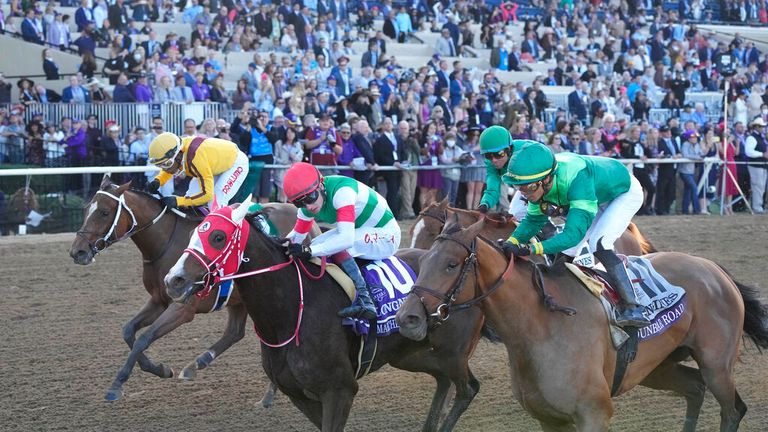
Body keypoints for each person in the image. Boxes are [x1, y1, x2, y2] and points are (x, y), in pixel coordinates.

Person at [500, 142, 649, 327]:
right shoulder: (539, 184)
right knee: (567, 253)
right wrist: (511, 241)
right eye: (518, 187)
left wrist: (531, 249)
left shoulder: (576, 180)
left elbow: (573, 235)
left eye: (527, 187)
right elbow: (533, 220)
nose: (523, 193)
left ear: (545, 180)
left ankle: (634, 307)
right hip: (597, 191)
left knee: (599, 244)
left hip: (622, 193)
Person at [283, 162, 401, 319]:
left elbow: (345, 239)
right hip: (360, 231)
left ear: (321, 184)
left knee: (331, 246)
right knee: (316, 244)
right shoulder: (309, 202)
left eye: (311, 198)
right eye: (299, 203)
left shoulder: (342, 192)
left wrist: (309, 251)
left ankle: (365, 301)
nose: (308, 206)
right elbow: (296, 237)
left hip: (387, 235)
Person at [146, 132, 249, 210]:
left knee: (215, 201)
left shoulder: (196, 159)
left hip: (236, 163)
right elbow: (170, 167)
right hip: (213, 165)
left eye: (166, 164)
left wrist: (178, 201)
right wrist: (158, 180)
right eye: (160, 166)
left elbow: (207, 195)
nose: (164, 169)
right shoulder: (179, 150)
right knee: (190, 198)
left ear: (177, 155)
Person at [476, 125, 528, 220]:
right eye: (488, 156)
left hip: (546, 183)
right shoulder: (491, 164)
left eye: (498, 154)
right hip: (524, 188)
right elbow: (493, 189)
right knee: (514, 216)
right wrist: (485, 204)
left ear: (509, 149)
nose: (494, 160)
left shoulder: (522, 154)